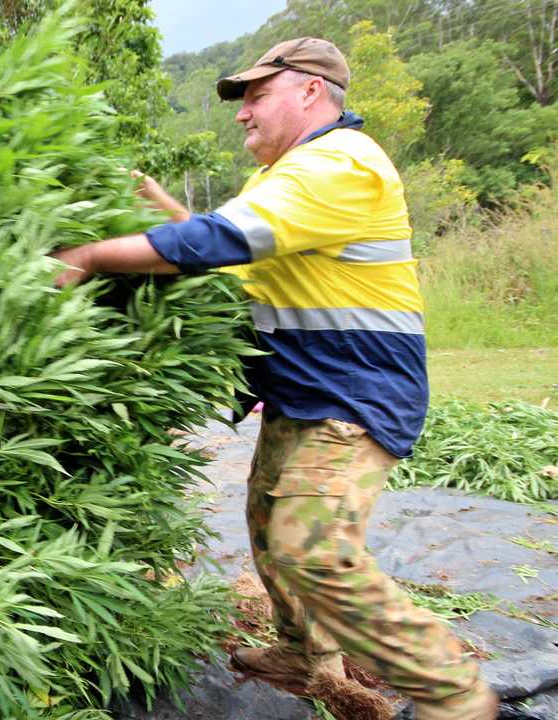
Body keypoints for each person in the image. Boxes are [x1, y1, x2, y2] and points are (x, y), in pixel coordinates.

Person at [53, 38, 497, 720]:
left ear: (311, 91)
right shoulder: (283, 177)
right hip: (303, 389)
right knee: (266, 520)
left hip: (356, 393)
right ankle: (303, 652)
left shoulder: (339, 165)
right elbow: (234, 261)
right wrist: (163, 204)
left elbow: (215, 244)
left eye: (258, 95)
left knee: (311, 550)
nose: (242, 113)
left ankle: (456, 697)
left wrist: (87, 254)